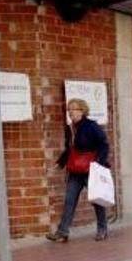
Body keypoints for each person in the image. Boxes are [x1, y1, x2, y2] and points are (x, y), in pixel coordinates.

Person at [46, 98, 110, 242]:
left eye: (74, 109)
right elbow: (70, 149)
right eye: (69, 109)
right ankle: (63, 232)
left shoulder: (91, 126)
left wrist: (99, 162)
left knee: (97, 200)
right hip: (75, 170)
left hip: (90, 170)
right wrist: (60, 163)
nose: (70, 112)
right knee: (69, 200)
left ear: (82, 110)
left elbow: (104, 144)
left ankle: (102, 229)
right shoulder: (69, 128)